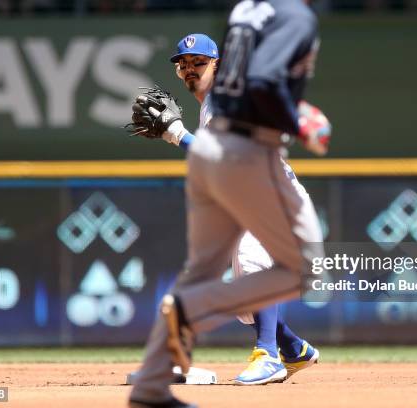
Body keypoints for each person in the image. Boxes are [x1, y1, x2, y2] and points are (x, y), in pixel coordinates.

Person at [130, 1, 328, 406]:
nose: (190, 68)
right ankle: (294, 350)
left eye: (199, 61)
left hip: (269, 190)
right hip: (245, 191)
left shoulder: (225, 95)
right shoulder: (211, 104)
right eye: (183, 63)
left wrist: (177, 135)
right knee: (246, 300)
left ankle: (267, 355)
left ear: (218, 64)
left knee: (254, 270)